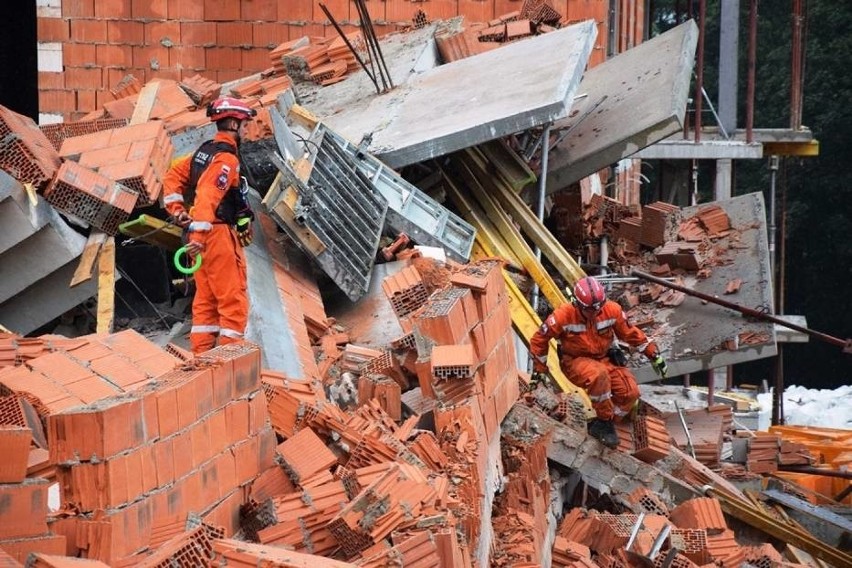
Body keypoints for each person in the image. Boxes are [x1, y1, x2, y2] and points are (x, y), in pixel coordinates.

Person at [162, 96, 257, 354]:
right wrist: (200, 238)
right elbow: (207, 196)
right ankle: (231, 360)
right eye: (245, 125)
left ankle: (201, 359)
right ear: (233, 125)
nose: (247, 130)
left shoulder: (203, 152)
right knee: (233, 301)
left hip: (199, 234)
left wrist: (177, 211)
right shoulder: (226, 160)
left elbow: (172, 178)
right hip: (215, 236)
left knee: (206, 301)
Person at [529, 275, 668, 448]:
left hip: (604, 358)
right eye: (590, 310)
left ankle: (604, 423)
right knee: (598, 375)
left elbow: (630, 333)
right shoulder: (563, 316)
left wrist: (653, 355)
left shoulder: (611, 310)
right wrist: (539, 370)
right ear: (577, 304)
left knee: (630, 392)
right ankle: (605, 421)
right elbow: (539, 340)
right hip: (575, 361)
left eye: (598, 308)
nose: (595, 313)